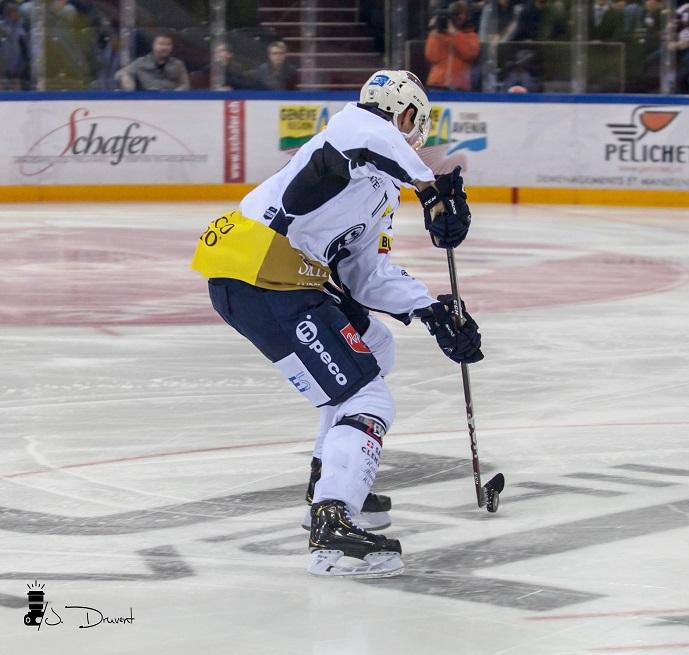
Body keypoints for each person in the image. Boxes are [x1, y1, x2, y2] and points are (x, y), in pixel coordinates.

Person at [190, 70, 482, 578]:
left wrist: (430, 311)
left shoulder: (382, 186)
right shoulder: (352, 130)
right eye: (416, 123)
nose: (418, 136)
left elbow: (364, 273)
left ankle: (328, 482)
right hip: (260, 274)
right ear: (406, 115)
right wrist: (431, 187)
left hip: (282, 279)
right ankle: (333, 524)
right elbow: (371, 136)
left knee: (376, 346)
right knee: (369, 399)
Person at [425, 0, 480, 90]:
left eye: (461, 13)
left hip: (459, 86)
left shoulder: (470, 35)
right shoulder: (438, 34)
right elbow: (432, 57)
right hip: (437, 83)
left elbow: (470, 54)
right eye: (456, 14)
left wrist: (455, 35)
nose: (459, 17)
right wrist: (436, 32)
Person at [115, 33, 189, 91]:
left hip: (172, 101)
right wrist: (125, 77)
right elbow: (120, 74)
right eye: (161, 44)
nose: (164, 47)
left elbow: (185, 85)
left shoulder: (178, 64)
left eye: (168, 44)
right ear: (153, 45)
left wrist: (175, 94)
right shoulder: (140, 62)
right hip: (147, 101)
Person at [0, 0, 30, 91]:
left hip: (18, 76)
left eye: (16, 11)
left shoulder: (22, 32)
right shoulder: (2, 29)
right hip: (2, 75)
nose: (14, 14)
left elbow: (27, 54)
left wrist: (24, 69)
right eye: (10, 11)